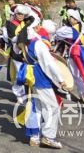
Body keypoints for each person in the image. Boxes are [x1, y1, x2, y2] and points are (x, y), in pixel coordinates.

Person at [14, 18, 67, 149]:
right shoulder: (38, 44)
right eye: (38, 26)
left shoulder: (23, 43)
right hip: (40, 76)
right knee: (52, 106)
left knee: (36, 106)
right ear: (36, 28)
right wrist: (60, 79)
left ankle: (34, 137)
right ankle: (48, 137)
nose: (39, 28)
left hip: (30, 76)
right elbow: (49, 64)